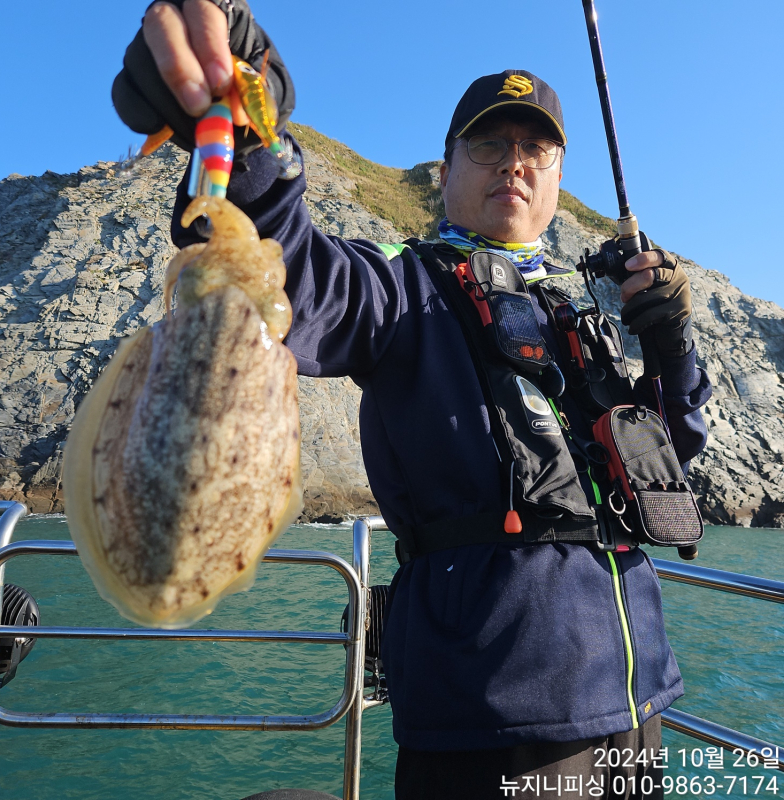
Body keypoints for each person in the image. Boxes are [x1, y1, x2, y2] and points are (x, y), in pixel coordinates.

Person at [113, 2, 712, 797]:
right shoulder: (401, 284)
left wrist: (669, 341)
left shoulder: (584, 308)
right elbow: (288, 269)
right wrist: (246, 117)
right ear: (445, 169)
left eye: (537, 149)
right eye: (490, 144)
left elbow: (675, 456)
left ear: (559, 179)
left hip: (639, 703)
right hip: (495, 712)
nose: (515, 163)